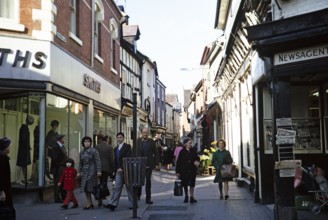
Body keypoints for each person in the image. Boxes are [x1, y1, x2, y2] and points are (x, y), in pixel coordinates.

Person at [103, 132, 133, 211]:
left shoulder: (127, 146)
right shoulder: (115, 148)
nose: (119, 138)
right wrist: (115, 170)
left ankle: (132, 204)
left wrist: (122, 168)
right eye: (118, 137)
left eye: (120, 137)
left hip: (126, 170)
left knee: (129, 187)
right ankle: (113, 204)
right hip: (118, 171)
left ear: (123, 138)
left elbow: (128, 157)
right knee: (117, 187)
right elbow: (115, 161)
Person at [77, 136, 102, 210]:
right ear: (83, 143)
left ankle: (99, 198)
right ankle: (89, 203)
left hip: (92, 171)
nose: (87, 143)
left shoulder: (94, 151)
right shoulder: (81, 152)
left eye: (88, 141)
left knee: (91, 187)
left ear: (90, 142)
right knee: (86, 188)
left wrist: (99, 171)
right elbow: (80, 163)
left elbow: (98, 161)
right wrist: (78, 172)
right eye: (85, 142)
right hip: (84, 172)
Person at [136, 127, 159, 204]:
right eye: (144, 132)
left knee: (148, 182)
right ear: (141, 133)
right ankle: (138, 195)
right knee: (138, 181)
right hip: (139, 164)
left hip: (148, 164)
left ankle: (148, 198)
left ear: (148, 133)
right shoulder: (138, 141)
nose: (145, 134)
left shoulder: (152, 142)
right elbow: (134, 152)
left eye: (146, 133)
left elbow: (155, 153)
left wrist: (157, 164)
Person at [175, 137, 200, 203]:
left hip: (192, 169)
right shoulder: (182, 151)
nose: (190, 144)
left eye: (191, 143)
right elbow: (179, 162)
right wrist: (177, 171)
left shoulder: (193, 150)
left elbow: (197, 158)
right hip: (184, 170)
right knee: (185, 184)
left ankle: (191, 196)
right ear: (185, 144)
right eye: (189, 143)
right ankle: (186, 196)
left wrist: (197, 161)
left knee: (192, 184)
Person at [95, 135, 114, 207]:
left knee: (99, 182)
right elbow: (111, 159)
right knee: (104, 182)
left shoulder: (97, 146)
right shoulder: (109, 147)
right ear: (107, 139)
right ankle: (102, 196)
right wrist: (112, 169)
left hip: (98, 167)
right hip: (106, 167)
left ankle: (100, 196)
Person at [16, 115, 34, 185]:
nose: (32, 121)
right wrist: (28, 146)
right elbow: (24, 139)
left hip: (24, 148)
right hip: (23, 149)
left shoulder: (25, 127)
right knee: (21, 163)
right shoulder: (24, 127)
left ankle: (25, 179)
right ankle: (18, 180)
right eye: (31, 119)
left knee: (23, 164)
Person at [0, 137, 15, 217]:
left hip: (5, 188)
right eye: (9, 146)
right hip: (4, 188)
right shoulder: (2, 158)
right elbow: (1, 175)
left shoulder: (4, 157)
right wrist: (1, 191)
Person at [52, 134, 68, 203]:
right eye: (63, 138)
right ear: (60, 139)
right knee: (58, 183)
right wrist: (60, 164)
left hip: (63, 166)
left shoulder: (62, 146)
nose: (64, 139)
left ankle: (64, 197)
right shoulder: (56, 146)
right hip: (58, 167)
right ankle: (57, 198)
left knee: (63, 182)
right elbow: (55, 158)